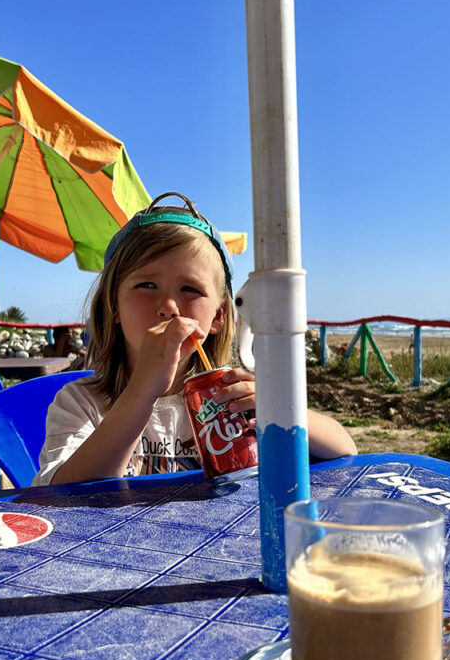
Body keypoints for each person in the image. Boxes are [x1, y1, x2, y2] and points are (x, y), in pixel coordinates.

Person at [33, 194, 356, 485]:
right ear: (113, 306)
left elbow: (344, 450)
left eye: (190, 289)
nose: (169, 307)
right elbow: (63, 491)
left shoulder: (230, 399)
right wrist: (141, 393)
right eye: (146, 285)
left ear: (218, 317)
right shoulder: (80, 402)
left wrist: (281, 411)